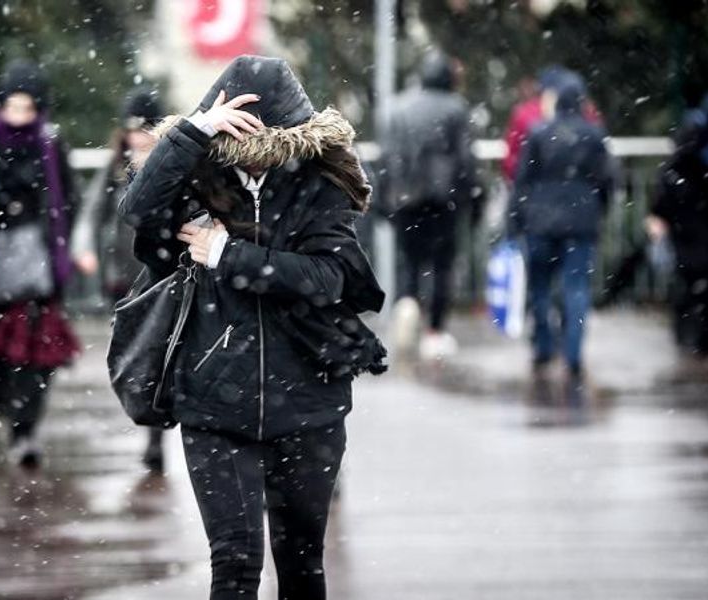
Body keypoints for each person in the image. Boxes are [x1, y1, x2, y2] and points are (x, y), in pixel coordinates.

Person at [119, 55, 386, 600]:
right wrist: (193, 132)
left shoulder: (318, 185)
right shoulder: (196, 176)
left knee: (302, 566)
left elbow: (329, 277)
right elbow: (137, 211)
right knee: (235, 566)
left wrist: (229, 255)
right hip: (214, 401)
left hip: (307, 399)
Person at [0, 61, 79, 470]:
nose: (19, 115)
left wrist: (55, 248)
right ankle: (4, 417)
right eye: (12, 105)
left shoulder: (49, 143)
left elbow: (67, 201)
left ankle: (24, 430)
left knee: (34, 354)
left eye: (27, 106)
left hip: (38, 270)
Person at [73, 85, 170, 472]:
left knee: (160, 355)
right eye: (132, 128)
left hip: (163, 273)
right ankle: (147, 420)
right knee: (135, 356)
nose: (138, 136)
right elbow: (93, 212)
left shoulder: (171, 164)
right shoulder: (116, 169)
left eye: (145, 127)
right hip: (126, 279)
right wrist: (85, 250)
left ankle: (155, 435)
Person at [510, 72, 615, 383]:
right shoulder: (594, 135)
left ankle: (544, 347)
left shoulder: (539, 132)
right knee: (576, 287)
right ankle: (572, 354)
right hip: (580, 223)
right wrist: (599, 211)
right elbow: (607, 180)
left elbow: (522, 181)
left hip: (541, 222)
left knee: (540, 287)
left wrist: (516, 218)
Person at [380, 50, 482, 360]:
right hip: (443, 199)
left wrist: (384, 199)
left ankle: (407, 305)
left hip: (406, 197)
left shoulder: (399, 107)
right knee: (442, 265)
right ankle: (435, 332)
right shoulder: (456, 109)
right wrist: (473, 196)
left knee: (409, 260)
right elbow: (466, 159)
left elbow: (387, 157)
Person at [646, 85, 708, 358]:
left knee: (691, 281)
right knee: (699, 281)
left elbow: (666, 186)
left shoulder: (689, 149)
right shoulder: (700, 148)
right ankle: (699, 337)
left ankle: (692, 335)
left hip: (690, 226)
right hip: (698, 225)